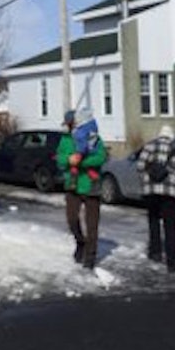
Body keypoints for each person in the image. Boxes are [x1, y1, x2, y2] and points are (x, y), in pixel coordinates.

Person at [57, 109, 108, 270]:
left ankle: (90, 259)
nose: (69, 126)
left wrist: (80, 163)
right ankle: (80, 242)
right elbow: (59, 159)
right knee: (72, 219)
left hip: (91, 185)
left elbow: (101, 157)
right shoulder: (65, 140)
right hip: (72, 184)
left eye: (71, 123)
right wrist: (68, 159)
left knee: (92, 224)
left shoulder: (93, 137)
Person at [136, 125, 175, 273]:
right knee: (170, 226)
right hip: (170, 193)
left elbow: (140, 166)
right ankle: (172, 263)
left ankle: (155, 253)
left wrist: (146, 181)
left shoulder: (149, 146)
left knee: (153, 221)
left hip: (151, 192)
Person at [69, 107, 100, 186]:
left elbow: (82, 142)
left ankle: (74, 181)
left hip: (84, 150)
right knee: (85, 166)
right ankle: (94, 179)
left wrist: (79, 152)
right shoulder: (92, 125)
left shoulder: (81, 131)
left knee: (74, 163)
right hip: (93, 149)